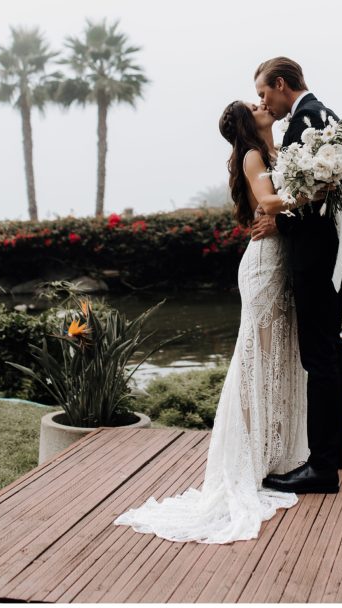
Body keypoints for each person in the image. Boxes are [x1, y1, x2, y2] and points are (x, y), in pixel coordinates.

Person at [113, 99, 311, 544]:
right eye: (254, 105)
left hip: (281, 263)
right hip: (263, 267)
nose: (263, 105)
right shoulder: (253, 156)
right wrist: (315, 192)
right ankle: (247, 460)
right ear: (246, 122)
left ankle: (275, 454)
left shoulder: (276, 151)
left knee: (279, 360)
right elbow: (268, 201)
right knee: (255, 362)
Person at [252, 57, 342, 495]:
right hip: (336, 248)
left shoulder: (306, 121)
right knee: (330, 347)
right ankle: (334, 450)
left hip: (321, 252)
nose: (263, 101)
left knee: (318, 354)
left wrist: (279, 221)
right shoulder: (322, 114)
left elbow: (314, 193)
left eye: (264, 93)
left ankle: (321, 466)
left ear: (280, 84)